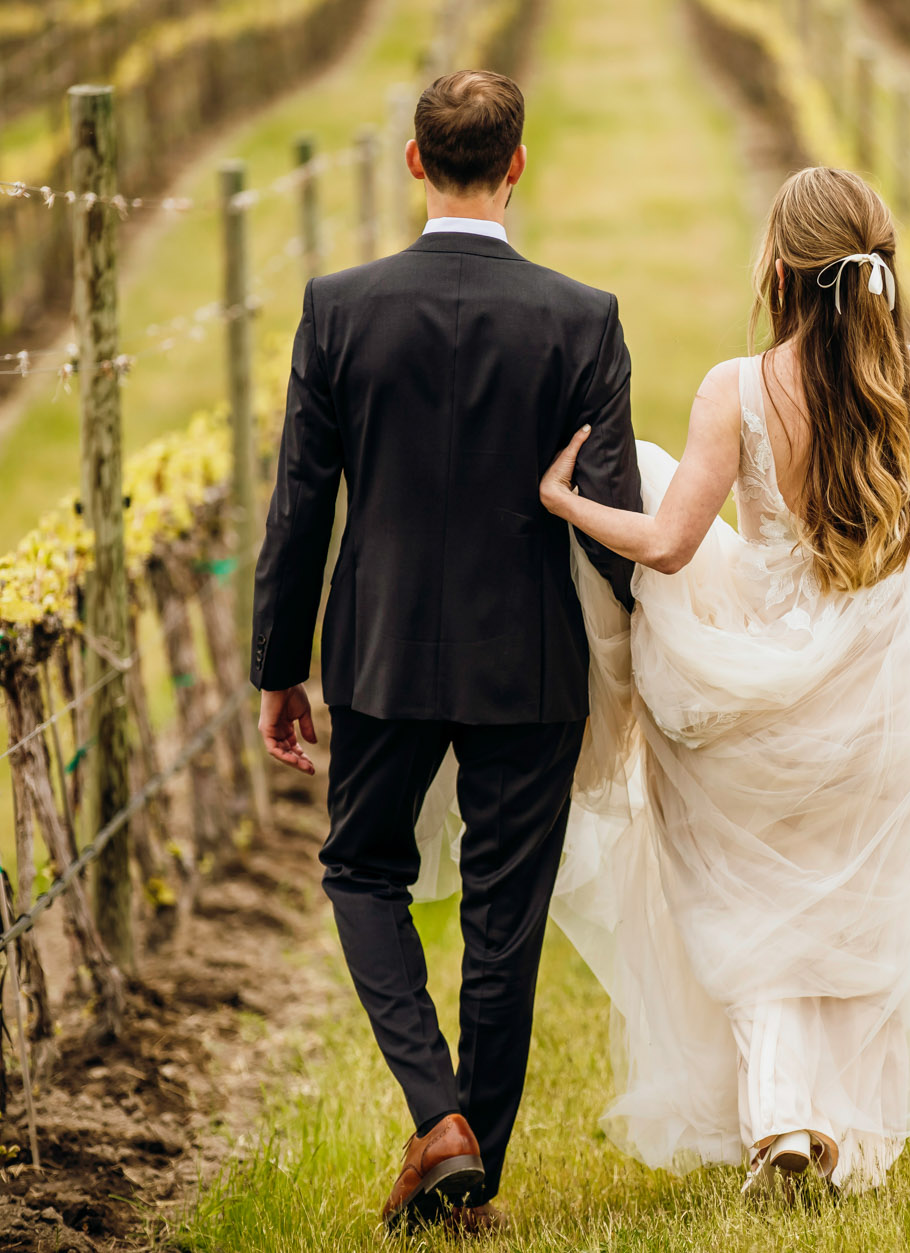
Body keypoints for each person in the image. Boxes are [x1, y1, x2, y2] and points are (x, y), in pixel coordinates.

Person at [250, 68, 642, 1234]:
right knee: (502, 915)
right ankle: (474, 1166)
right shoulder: (584, 317)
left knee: (359, 869)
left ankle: (437, 1118)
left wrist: (281, 662)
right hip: (530, 658)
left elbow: (298, 506)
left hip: (379, 654)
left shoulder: (338, 306)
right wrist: (643, 661)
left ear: (414, 162)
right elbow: (610, 518)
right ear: (517, 164)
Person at [536, 165, 910, 1196]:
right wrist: (846, 599)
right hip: (883, 680)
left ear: (778, 272)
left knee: (742, 893)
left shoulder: (734, 388)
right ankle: (840, 1130)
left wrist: (566, 500)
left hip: (750, 678)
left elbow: (673, 545)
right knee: (855, 898)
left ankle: (779, 1114)